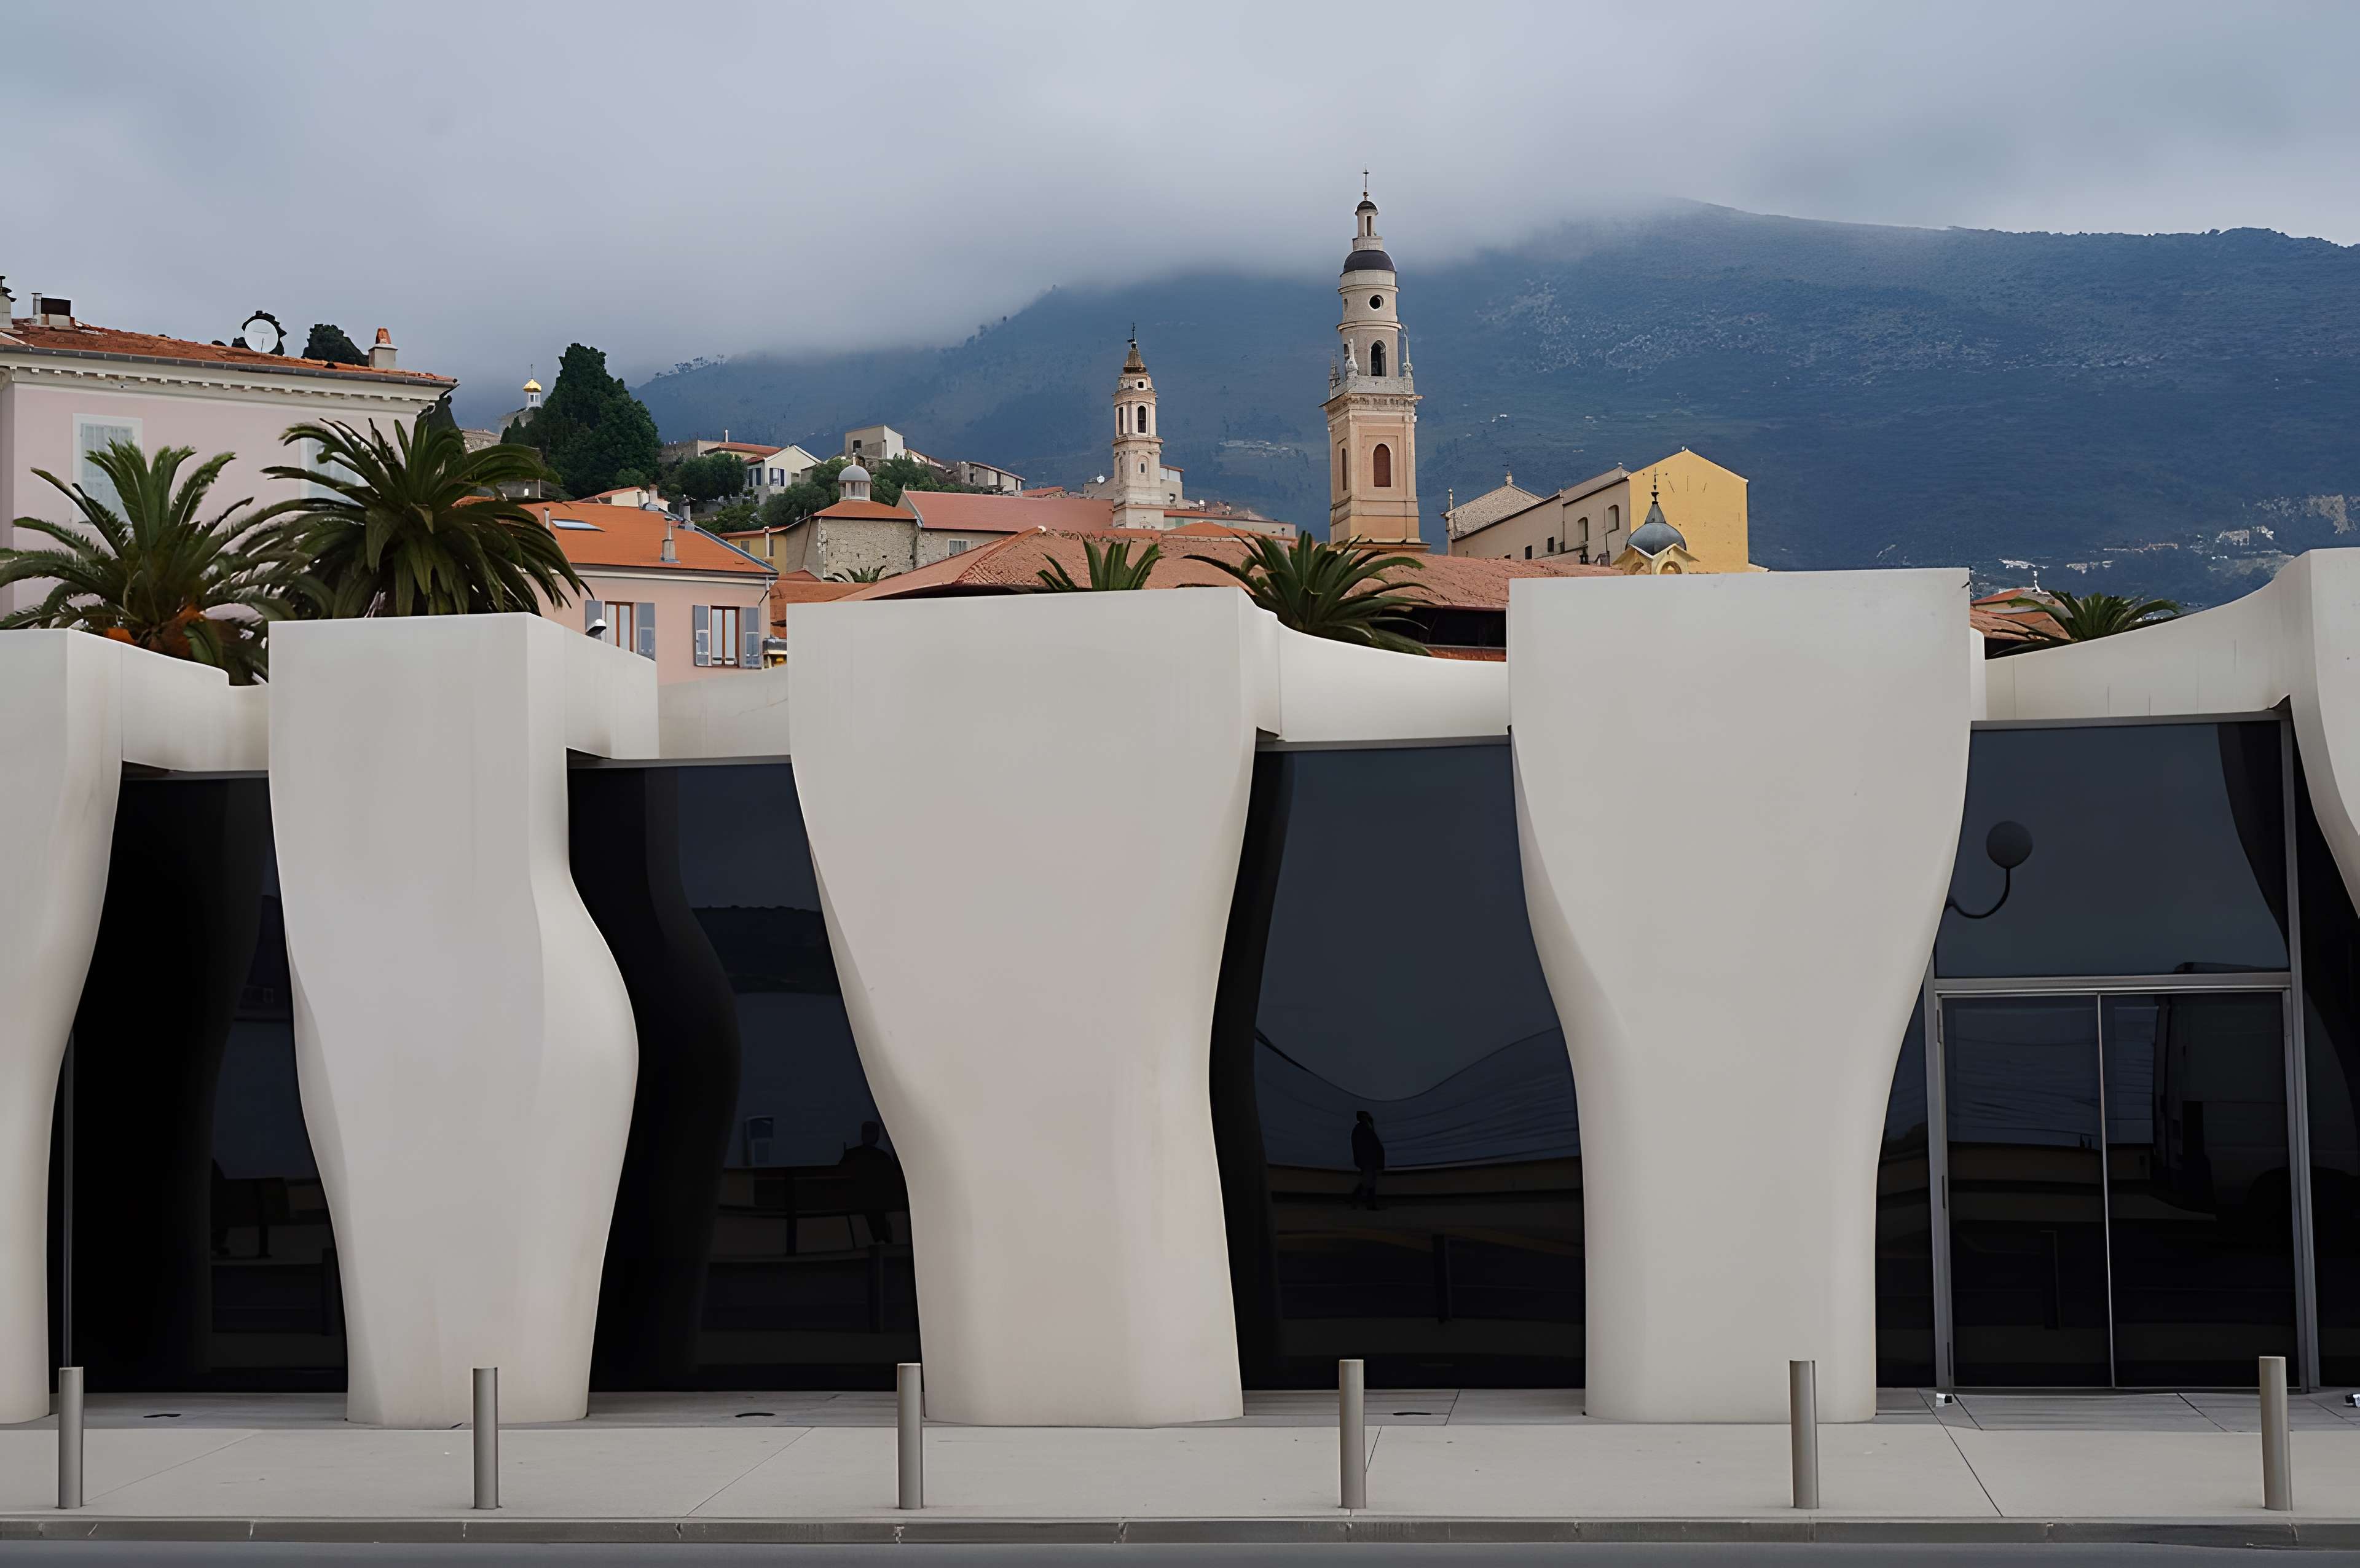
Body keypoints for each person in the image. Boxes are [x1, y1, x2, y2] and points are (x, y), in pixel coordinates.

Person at [837, 1120, 904, 1246]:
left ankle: (881, 1237)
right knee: (876, 1208)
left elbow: (840, 1174)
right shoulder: (882, 1157)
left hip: (859, 1198)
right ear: (876, 1136)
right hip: (876, 1200)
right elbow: (892, 1179)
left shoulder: (852, 1155)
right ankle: (882, 1237)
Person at [1350, 1110, 1386, 1210]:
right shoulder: (1361, 1129)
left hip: (1369, 1160)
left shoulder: (1365, 1128)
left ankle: (1370, 1204)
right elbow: (1362, 1146)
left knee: (1371, 1182)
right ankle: (1356, 1199)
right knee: (1368, 1182)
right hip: (1367, 1160)